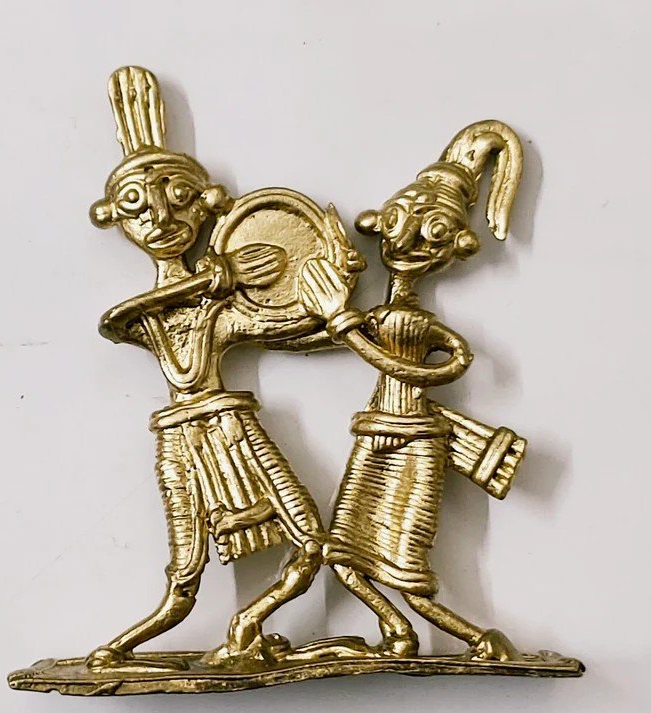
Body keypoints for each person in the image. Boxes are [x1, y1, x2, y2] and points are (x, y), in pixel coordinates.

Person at [86, 67, 356, 669]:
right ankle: (114, 651)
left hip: (235, 430)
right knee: (185, 574)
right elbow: (116, 320)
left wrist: (341, 310)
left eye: (177, 198)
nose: (160, 217)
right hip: (182, 442)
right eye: (137, 206)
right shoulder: (166, 311)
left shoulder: (221, 311)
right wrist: (218, 277)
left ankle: (246, 624)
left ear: (206, 205)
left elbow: (290, 331)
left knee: (312, 544)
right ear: (115, 218)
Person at [298, 121, 525, 661]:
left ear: (459, 246)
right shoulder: (371, 317)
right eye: (399, 223)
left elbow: (446, 369)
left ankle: (479, 639)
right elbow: (312, 336)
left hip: (417, 444)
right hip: (374, 437)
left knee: (406, 571)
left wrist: (343, 324)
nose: (406, 241)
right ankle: (397, 633)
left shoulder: (419, 328)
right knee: (342, 558)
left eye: (434, 232)